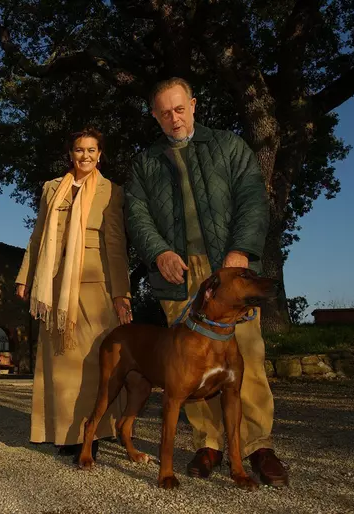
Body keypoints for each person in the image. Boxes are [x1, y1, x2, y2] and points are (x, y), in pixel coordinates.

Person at [123, 77, 289, 487]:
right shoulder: (146, 163)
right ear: (154, 115)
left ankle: (257, 446)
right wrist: (159, 251)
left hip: (226, 270)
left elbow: (253, 197)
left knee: (244, 353)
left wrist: (242, 250)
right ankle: (208, 443)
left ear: (194, 105)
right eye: (164, 112)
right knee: (185, 364)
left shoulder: (229, 146)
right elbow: (137, 214)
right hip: (177, 273)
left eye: (179, 109)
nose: (173, 119)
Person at [15, 128, 132, 460]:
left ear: (100, 155)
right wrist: (25, 276)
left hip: (95, 286)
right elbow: (38, 236)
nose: (86, 156)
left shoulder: (111, 191)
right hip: (54, 284)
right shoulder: (52, 189)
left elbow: (116, 245)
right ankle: (65, 433)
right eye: (80, 150)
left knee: (94, 362)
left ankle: (93, 432)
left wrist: (121, 293)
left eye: (92, 151)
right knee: (60, 362)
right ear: (71, 154)